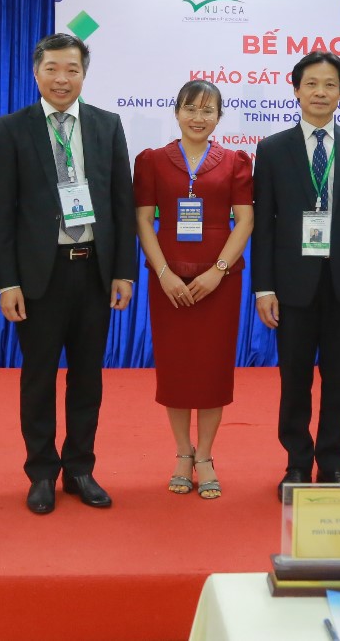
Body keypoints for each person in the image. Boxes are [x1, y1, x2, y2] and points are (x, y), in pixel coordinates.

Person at [0, 33, 137, 514]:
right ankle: (40, 473)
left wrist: (124, 271)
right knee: (38, 378)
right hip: (40, 276)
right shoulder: (13, 128)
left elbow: (122, 201)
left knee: (87, 378)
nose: (61, 78)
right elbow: (3, 212)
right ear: (36, 73)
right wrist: (8, 281)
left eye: (72, 69)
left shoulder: (107, 125)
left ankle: (79, 469)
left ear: (84, 74)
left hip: (93, 270)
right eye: (52, 68)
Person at [253, 51, 340, 499]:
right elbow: (264, 225)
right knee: (294, 380)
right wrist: (264, 287)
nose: (320, 92)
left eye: (330, 84)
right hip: (292, 284)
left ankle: (333, 464)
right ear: (296, 90)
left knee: (339, 380)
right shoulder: (272, 149)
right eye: (311, 84)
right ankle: (295, 464)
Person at [133, 80, 254, 500]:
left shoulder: (235, 161)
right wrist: (163, 272)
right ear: (177, 112)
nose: (198, 118)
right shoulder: (151, 160)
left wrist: (218, 271)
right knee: (178, 369)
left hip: (219, 282)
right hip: (168, 281)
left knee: (212, 369)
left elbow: (245, 221)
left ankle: (205, 456)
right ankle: (183, 453)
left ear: (219, 117)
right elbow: (143, 220)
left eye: (207, 111)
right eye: (190, 109)